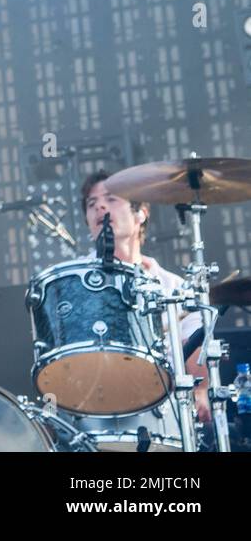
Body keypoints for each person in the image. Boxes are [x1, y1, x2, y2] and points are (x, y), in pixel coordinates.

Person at [79, 169, 210, 424]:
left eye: (111, 198)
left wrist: (201, 391)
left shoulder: (175, 287)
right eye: (91, 203)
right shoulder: (73, 281)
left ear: (141, 212)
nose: (99, 207)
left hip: (166, 415)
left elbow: (197, 363)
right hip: (94, 409)